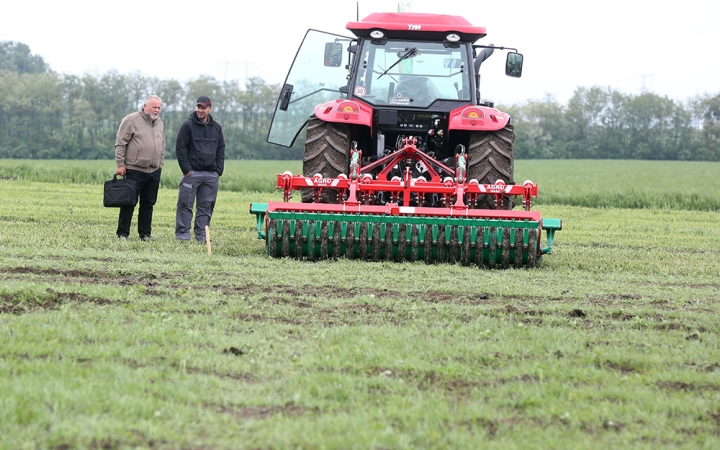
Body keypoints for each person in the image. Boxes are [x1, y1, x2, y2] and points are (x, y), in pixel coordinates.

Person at [114, 94, 165, 241]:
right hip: (134, 169)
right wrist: (120, 164)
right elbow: (120, 143)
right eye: (154, 107)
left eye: (159, 108)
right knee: (128, 203)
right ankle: (123, 234)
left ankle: (145, 234)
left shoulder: (160, 123)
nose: (157, 110)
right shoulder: (131, 120)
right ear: (145, 106)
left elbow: (162, 146)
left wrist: (160, 164)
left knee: (148, 204)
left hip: (154, 170)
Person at [175, 96, 225, 242]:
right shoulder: (187, 125)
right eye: (198, 107)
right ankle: (183, 235)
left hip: (211, 175)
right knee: (185, 205)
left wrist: (218, 171)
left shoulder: (217, 128)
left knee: (206, 207)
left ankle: (202, 236)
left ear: (210, 108)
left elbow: (221, 149)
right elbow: (181, 149)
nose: (200, 110)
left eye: (203, 107)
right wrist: (187, 171)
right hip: (192, 174)